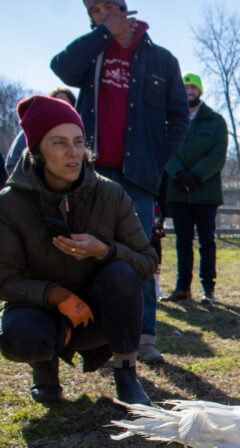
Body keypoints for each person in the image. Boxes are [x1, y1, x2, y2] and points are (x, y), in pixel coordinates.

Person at [51, 0, 189, 365]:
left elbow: (179, 117)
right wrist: (102, 34)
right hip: (90, 174)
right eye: (95, 11)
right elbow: (60, 67)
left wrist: (157, 158)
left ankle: (143, 337)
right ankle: (93, 338)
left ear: (125, 10)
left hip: (138, 177)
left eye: (109, 7)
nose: (103, 15)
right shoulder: (92, 54)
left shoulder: (162, 60)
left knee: (139, 256)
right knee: (84, 255)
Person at [0, 95, 155, 405]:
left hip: (95, 315)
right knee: (20, 335)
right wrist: (55, 295)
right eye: (59, 143)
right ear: (37, 151)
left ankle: (127, 375)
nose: (73, 153)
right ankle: (44, 370)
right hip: (42, 314)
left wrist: (104, 250)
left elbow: (147, 261)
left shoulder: (110, 193)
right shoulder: (9, 204)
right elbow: (4, 279)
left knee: (122, 274)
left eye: (79, 142)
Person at [161, 72, 227, 305]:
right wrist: (179, 173)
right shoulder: (169, 120)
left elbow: (218, 154)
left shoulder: (215, 121)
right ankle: (182, 287)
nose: (189, 92)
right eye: (185, 88)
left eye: (193, 88)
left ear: (200, 91)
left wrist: (196, 176)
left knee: (206, 241)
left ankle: (208, 288)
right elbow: (165, 148)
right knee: (182, 242)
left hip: (205, 191)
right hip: (178, 190)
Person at [6, 88, 77, 177]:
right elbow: (12, 163)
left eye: (67, 106)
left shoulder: (79, 136)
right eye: (57, 104)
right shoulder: (32, 130)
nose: (62, 109)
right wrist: (31, 182)